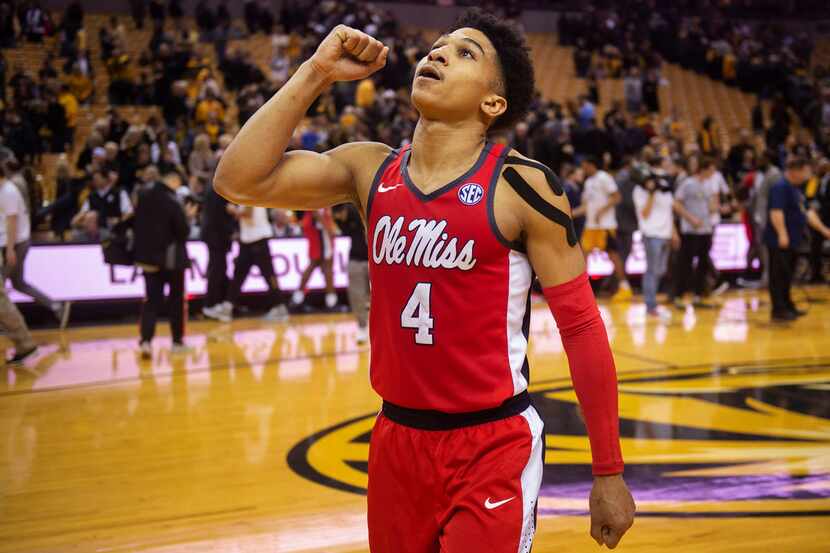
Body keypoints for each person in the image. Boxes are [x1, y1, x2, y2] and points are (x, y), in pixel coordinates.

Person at [214, 11, 634, 552]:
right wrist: (316, 71)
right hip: (396, 440)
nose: (437, 54)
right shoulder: (369, 169)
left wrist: (608, 471)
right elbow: (237, 179)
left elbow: (580, 327)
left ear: (493, 104)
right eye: (438, 46)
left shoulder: (523, 186)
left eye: (464, 53)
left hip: (492, 442)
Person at [0, 163, 71, 328]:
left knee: (1, 287)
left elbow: (12, 222)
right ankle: (57, 306)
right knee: (19, 283)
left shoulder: (8, 191)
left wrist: (10, 249)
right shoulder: (5, 188)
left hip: (16, 244)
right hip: (16, 243)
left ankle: (11, 324)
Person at [133, 171, 192, 358]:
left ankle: (146, 342)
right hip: (171, 260)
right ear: (172, 180)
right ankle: (176, 342)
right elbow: (182, 231)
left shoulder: (142, 197)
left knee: (151, 302)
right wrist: (187, 216)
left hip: (148, 260)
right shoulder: (172, 200)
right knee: (175, 301)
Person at [765, 158, 830, 321]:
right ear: (795, 170)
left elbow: (807, 212)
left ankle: (787, 305)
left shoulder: (795, 190)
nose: (808, 175)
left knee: (788, 274)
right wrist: (782, 233)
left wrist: (823, 229)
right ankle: (778, 310)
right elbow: (776, 212)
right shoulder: (780, 187)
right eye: (806, 171)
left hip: (793, 239)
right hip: (779, 240)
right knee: (778, 274)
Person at [580, 156, 632, 300]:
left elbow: (617, 197)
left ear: (591, 165)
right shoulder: (588, 182)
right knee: (583, 256)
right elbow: (586, 206)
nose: (583, 169)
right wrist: (570, 213)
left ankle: (624, 286)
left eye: (584, 166)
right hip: (591, 225)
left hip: (605, 225)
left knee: (613, 256)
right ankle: (583, 290)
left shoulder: (604, 177)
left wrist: (602, 210)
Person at [226, 205, 289, 321]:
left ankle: (280, 307)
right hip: (248, 239)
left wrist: (232, 210)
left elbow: (248, 213)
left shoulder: (249, 191)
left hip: (258, 239)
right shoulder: (248, 192)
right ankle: (227, 306)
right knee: (239, 274)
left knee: (269, 274)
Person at [672, 156, 718, 309]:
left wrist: (715, 206)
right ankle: (679, 295)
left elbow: (711, 206)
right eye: (711, 169)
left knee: (703, 263)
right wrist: (690, 218)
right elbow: (676, 204)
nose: (713, 173)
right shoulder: (688, 184)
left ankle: (698, 295)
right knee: (685, 263)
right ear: (704, 169)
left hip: (706, 229)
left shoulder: (709, 185)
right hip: (690, 230)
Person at [200, 178, 235, 323]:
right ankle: (210, 305)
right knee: (217, 269)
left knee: (219, 269)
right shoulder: (218, 188)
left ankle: (217, 303)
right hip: (216, 237)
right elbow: (220, 216)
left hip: (214, 236)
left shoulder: (213, 186)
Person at [334, 203, 369, 344]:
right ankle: (362, 327)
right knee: (356, 296)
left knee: (381, 299)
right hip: (356, 259)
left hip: (376, 259)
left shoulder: (363, 210)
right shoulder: (347, 214)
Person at [292, 209, 337, 309]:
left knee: (316, 265)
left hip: (315, 230)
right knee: (325, 266)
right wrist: (329, 229)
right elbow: (317, 211)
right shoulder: (321, 201)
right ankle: (331, 301)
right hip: (320, 233)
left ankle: (297, 297)